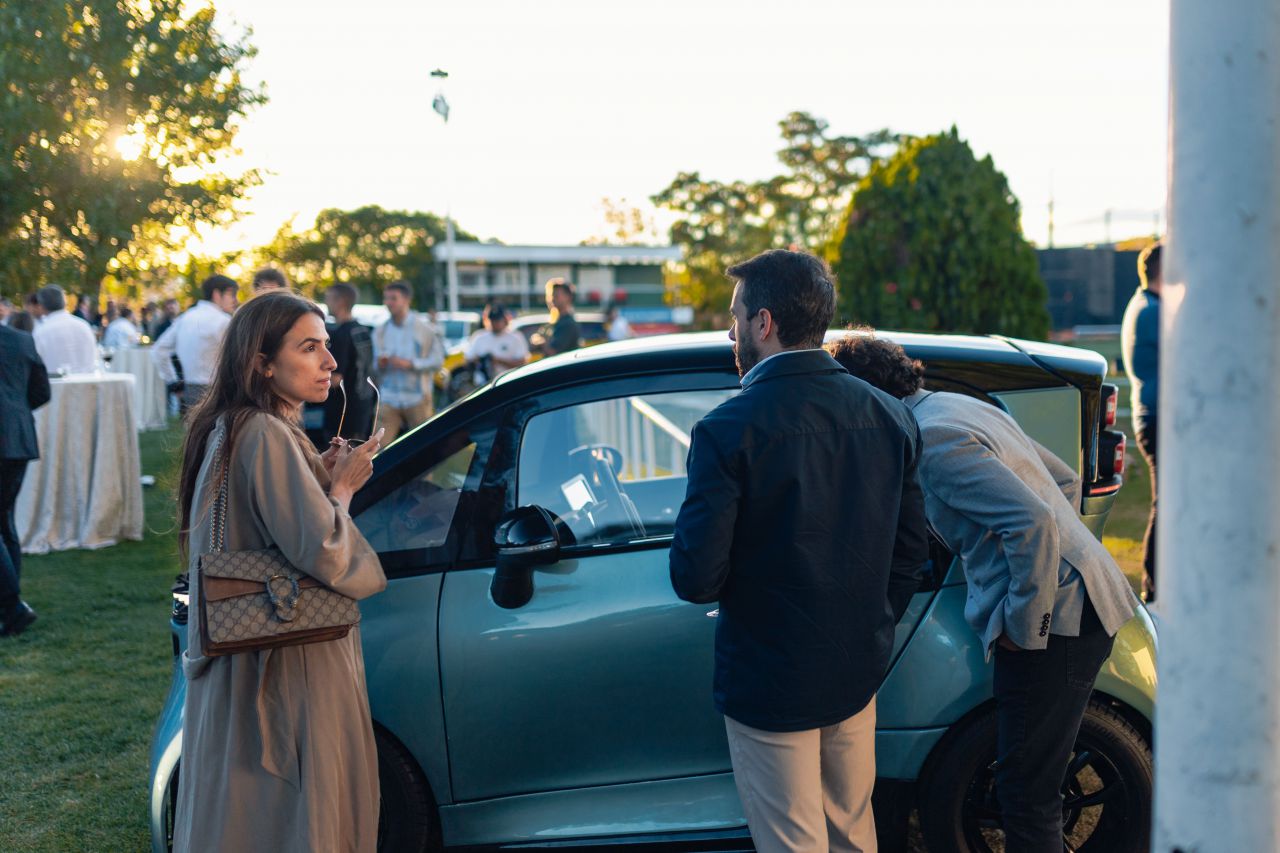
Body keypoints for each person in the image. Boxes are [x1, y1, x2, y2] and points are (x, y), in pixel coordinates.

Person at [825, 332, 1140, 853]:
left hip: (1057, 623)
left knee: (1026, 795)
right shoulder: (957, 407)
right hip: (1084, 601)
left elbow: (1034, 524)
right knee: (1030, 781)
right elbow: (1061, 482)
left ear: (867, 398)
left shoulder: (933, 441)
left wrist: (1025, 623)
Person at [669, 250, 928, 853]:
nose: (729, 331)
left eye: (734, 317)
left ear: (764, 323)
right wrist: (869, 622)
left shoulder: (726, 428)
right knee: (852, 833)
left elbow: (696, 577)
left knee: (793, 842)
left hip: (769, 680)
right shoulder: (889, 415)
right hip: (856, 670)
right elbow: (910, 552)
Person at [172, 290, 386, 853]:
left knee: (247, 809)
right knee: (290, 810)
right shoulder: (264, 432)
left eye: (327, 347)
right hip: (287, 658)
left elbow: (266, 527)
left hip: (249, 652)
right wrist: (341, 490)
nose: (330, 362)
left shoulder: (235, 426)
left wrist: (320, 474)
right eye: (310, 347)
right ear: (263, 363)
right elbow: (324, 552)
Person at [0, 323, 51, 637]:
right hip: (17, 438)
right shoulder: (21, 339)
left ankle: (13, 607)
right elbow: (41, 392)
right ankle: (9, 609)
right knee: (5, 521)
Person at [1121, 241, 1160, 603]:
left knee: (1163, 501)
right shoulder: (1154, 312)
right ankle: (1155, 587)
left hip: (1149, 414)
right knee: (1165, 502)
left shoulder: (1140, 304)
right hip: (1159, 416)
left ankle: (1155, 585)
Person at [152, 275, 238, 413]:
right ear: (216, 294)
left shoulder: (185, 317)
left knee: (194, 433)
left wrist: (174, 383)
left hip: (190, 391)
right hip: (219, 391)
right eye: (231, 294)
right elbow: (237, 358)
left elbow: (158, 350)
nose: (235, 299)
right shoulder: (223, 321)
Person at [373, 280, 443, 440]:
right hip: (389, 396)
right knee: (377, 448)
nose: (388, 303)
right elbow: (375, 366)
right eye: (386, 298)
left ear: (406, 300)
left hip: (416, 397)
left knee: (423, 446)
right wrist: (380, 363)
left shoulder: (424, 328)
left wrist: (411, 364)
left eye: (393, 298)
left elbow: (438, 361)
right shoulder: (380, 330)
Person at [322, 283, 376, 444]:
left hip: (343, 412)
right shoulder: (363, 330)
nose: (326, 303)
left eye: (328, 299)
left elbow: (335, 379)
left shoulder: (341, 334)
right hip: (364, 405)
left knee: (339, 463)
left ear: (341, 302)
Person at [32, 285, 98, 373]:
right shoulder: (84, 326)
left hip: (54, 385)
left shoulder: (40, 332)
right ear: (65, 303)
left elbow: (35, 365)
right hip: (87, 384)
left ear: (41, 306)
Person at [464, 303, 529, 382]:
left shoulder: (515, 337)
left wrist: (498, 360)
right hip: (483, 384)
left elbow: (522, 363)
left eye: (498, 320)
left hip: (508, 382)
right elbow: (468, 361)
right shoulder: (479, 336)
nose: (494, 324)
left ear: (505, 320)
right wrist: (481, 360)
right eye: (492, 320)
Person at [534, 277, 581, 355]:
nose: (552, 298)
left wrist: (541, 342)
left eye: (556, 295)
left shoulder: (568, 324)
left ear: (568, 297)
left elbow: (553, 352)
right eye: (551, 295)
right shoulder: (555, 321)